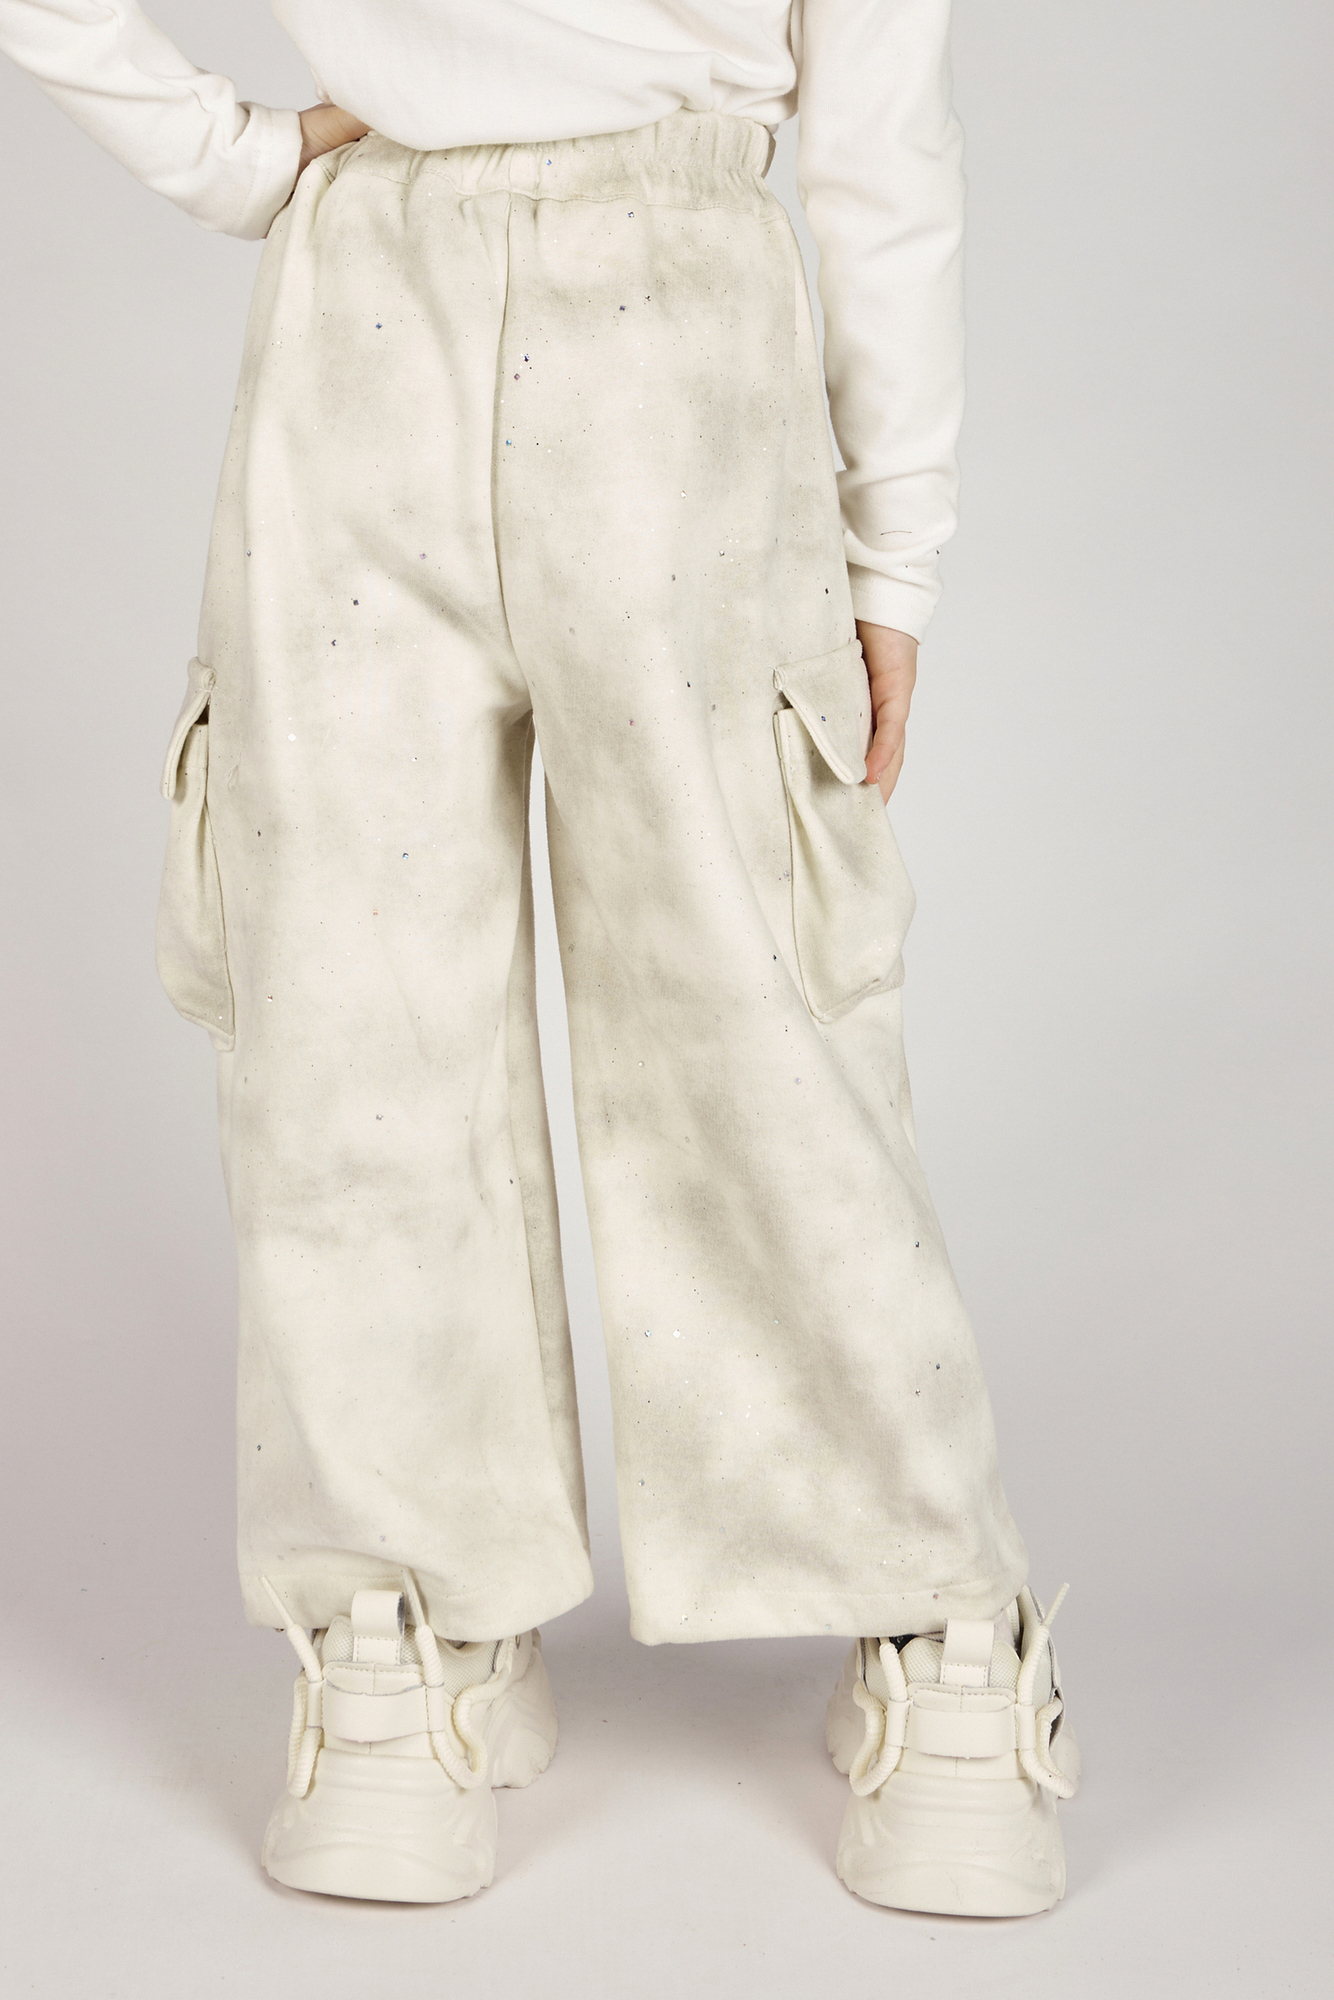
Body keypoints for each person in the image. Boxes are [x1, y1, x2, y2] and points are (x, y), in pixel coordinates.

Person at [1, 0, 1079, 1915]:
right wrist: (230, 160)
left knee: (751, 1001)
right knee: (347, 1013)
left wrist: (889, 546)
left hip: (678, 308)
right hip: (362, 318)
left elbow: (880, 121)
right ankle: (408, 1615)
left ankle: (930, 1604)